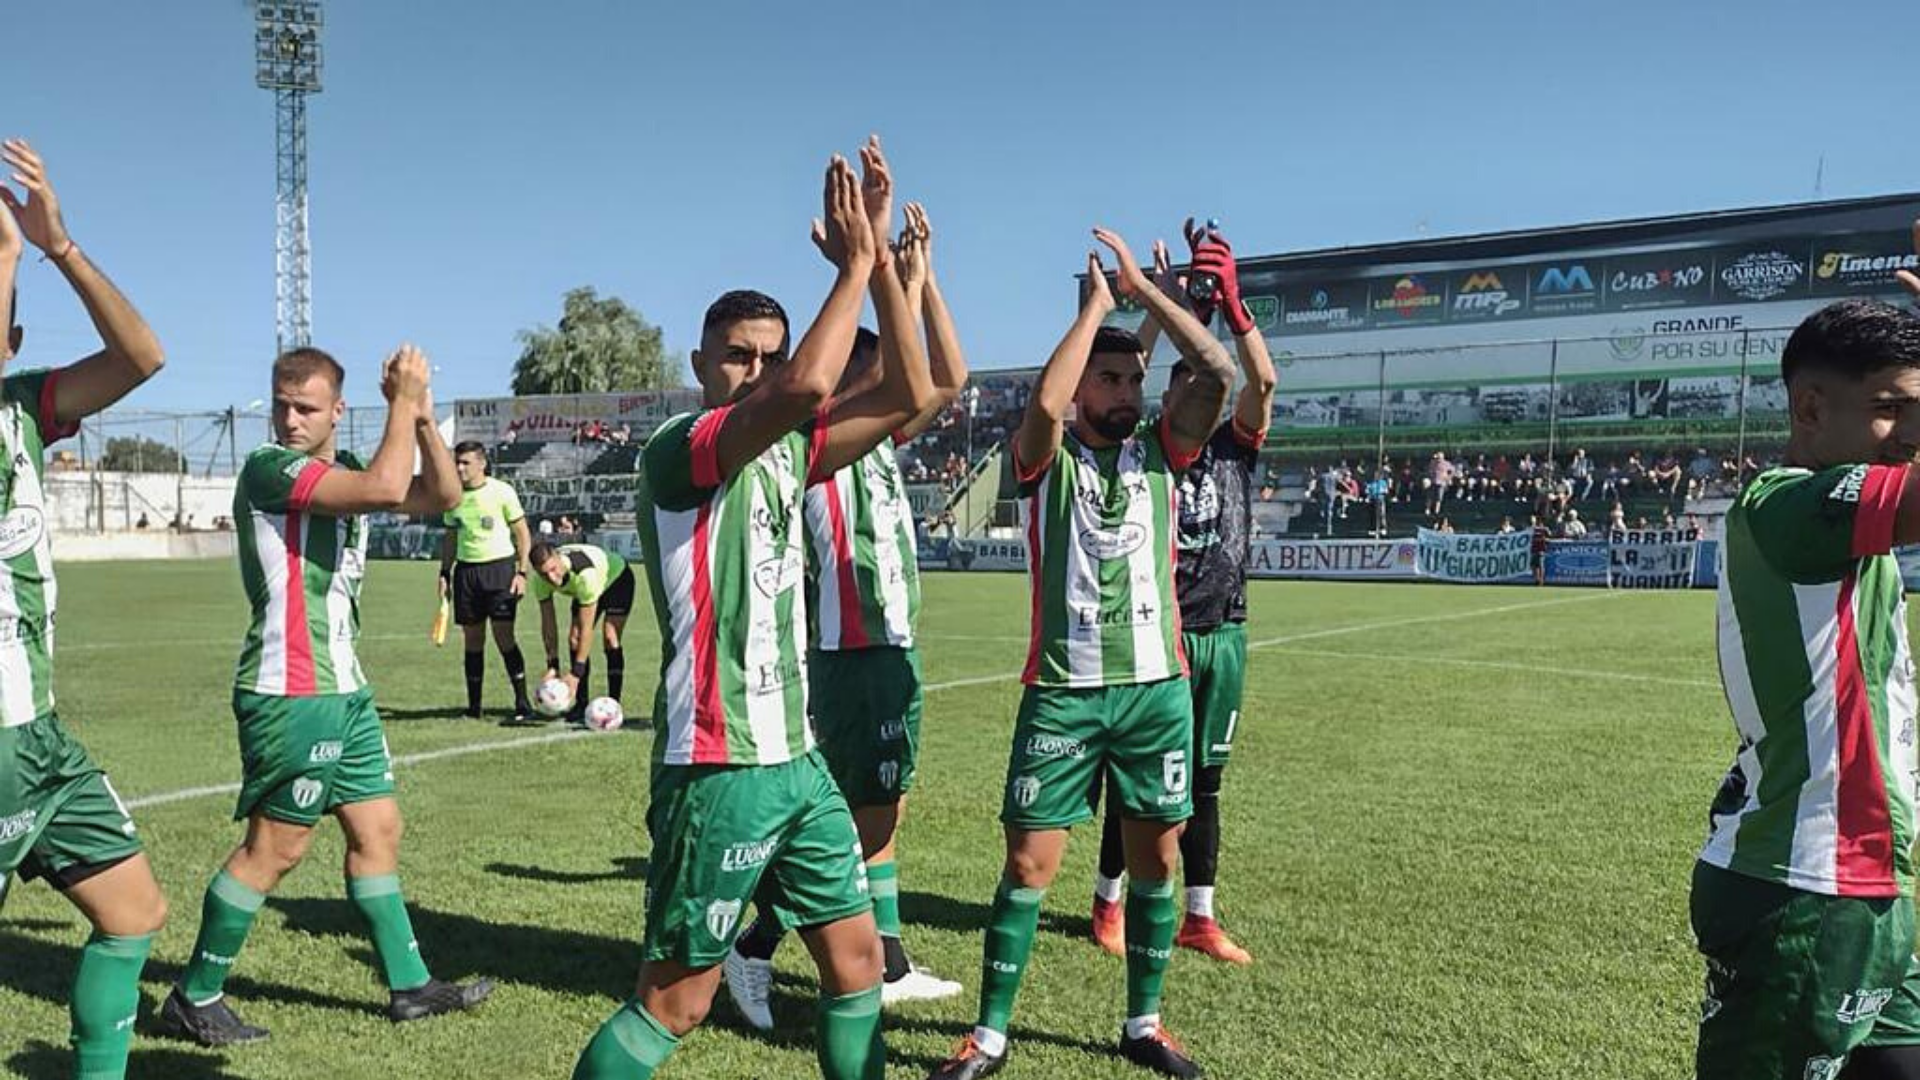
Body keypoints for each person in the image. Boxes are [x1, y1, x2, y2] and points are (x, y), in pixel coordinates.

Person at [572, 144, 926, 1080]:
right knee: (675, 1003)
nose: (756, 370)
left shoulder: (787, 455)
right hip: (716, 765)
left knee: (855, 968)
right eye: (738, 356)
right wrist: (852, 265)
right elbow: (808, 387)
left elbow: (908, 392)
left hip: (796, 758)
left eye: (766, 354)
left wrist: (881, 264)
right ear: (700, 363)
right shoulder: (679, 448)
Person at [926, 225, 1233, 1080]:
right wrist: (1100, 306)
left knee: (1158, 858)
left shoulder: (1165, 454)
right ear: (1080, 390)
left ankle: (1143, 1024)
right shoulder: (1043, 461)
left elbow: (1220, 376)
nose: (1129, 390)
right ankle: (988, 1035)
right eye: (1112, 378)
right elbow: (1040, 410)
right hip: (1064, 692)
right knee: (1028, 863)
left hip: (1154, 691)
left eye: (1135, 378)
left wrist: (1151, 298)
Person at [163, 344, 491, 1046]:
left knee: (378, 831)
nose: (288, 419)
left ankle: (409, 987)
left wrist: (425, 419)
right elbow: (381, 489)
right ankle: (195, 994)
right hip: (291, 689)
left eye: (305, 408)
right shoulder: (270, 468)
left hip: (343, 687)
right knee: (276, 849)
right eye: (281, 405)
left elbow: (443, 497)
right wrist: (403, 401)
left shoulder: (341, 471)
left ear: (337, 411)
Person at [725, 199, 965, 1025]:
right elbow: (920, 382)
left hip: (889, 650)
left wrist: (918, 284)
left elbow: (951, 377)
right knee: (856, 825)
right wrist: (871, 279)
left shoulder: (884, 446)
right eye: (881, 372)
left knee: (883, 810)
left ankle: (888, 960)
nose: (900, 383)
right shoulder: (816, 452)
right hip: (851, 651)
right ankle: (753, 943)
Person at [1691, 294, 1920, 1080]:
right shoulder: (1785, 504)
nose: (1914, 433)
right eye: (1892, 409)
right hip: (1805, 889)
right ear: (1811, 407)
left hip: (1874, 879)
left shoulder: (1852, 520)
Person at [0, 137, 169, 1080]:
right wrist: (6, 254)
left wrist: (58, 250)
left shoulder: (27, 405)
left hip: (42, 745)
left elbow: (142, 356)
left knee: (135, 912)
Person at [1086, 220, 1275, 971]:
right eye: (1184, 388)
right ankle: (1106, 900)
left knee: (1204, 782)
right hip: (1159, 633)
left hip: (1224, 633)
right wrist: (1161, 302)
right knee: (1140, 783)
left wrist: (1234, 307)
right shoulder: (1150, 448)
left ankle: (1200, 915)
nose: (1198, 394)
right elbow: (1186, 370)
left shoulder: (1236, 446)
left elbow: (1259, 383)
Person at [437, 441, 536, 724]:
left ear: (482, 464)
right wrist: (445, 572)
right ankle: (474, 707)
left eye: (466, 462)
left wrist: (522, 572)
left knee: (504, 637)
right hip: (467, 573)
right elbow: (451, 537)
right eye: (457, 462)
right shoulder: (452, 496)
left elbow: (522, 534)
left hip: (500, 570)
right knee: (472, 640)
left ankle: (522, 702)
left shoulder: (501, 491)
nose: (459, 468)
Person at [529, 539, 635, 725]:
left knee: (610, 637)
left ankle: (613, 705)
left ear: (557, 557)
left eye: (554, 569)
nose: (552, 579)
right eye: (545, 574)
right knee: (574, 639)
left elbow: (587, 628)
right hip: (590, 586)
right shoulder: (540, 581)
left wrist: (576, 672)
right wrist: (552, 664)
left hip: (617, 578)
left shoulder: (584, 574)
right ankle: (581, 704)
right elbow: (548, 624)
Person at [1529, 514, 1550, 586]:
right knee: (1534, 566)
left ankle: (1541, 580)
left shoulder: (1545, 529)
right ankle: (1536, 579)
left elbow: (1550, 538)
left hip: (1541, 549)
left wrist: (1544, 540)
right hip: (1534, 549)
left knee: (1541, 565)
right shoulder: (1532, 529)